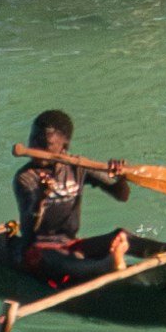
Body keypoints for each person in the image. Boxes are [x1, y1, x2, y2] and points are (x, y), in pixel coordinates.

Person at [13, 106, 134, 276]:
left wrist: (121, 178)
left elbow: (121, 196)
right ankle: (107, 265)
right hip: (38, 249)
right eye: (33, 139)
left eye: (44, 144)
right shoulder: (25, 177)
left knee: (123, 236)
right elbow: (30, 229)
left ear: (64, 146)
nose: (35, 147)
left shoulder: (77, 167)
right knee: (58, 260)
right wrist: (41, 198)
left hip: (70, 243)